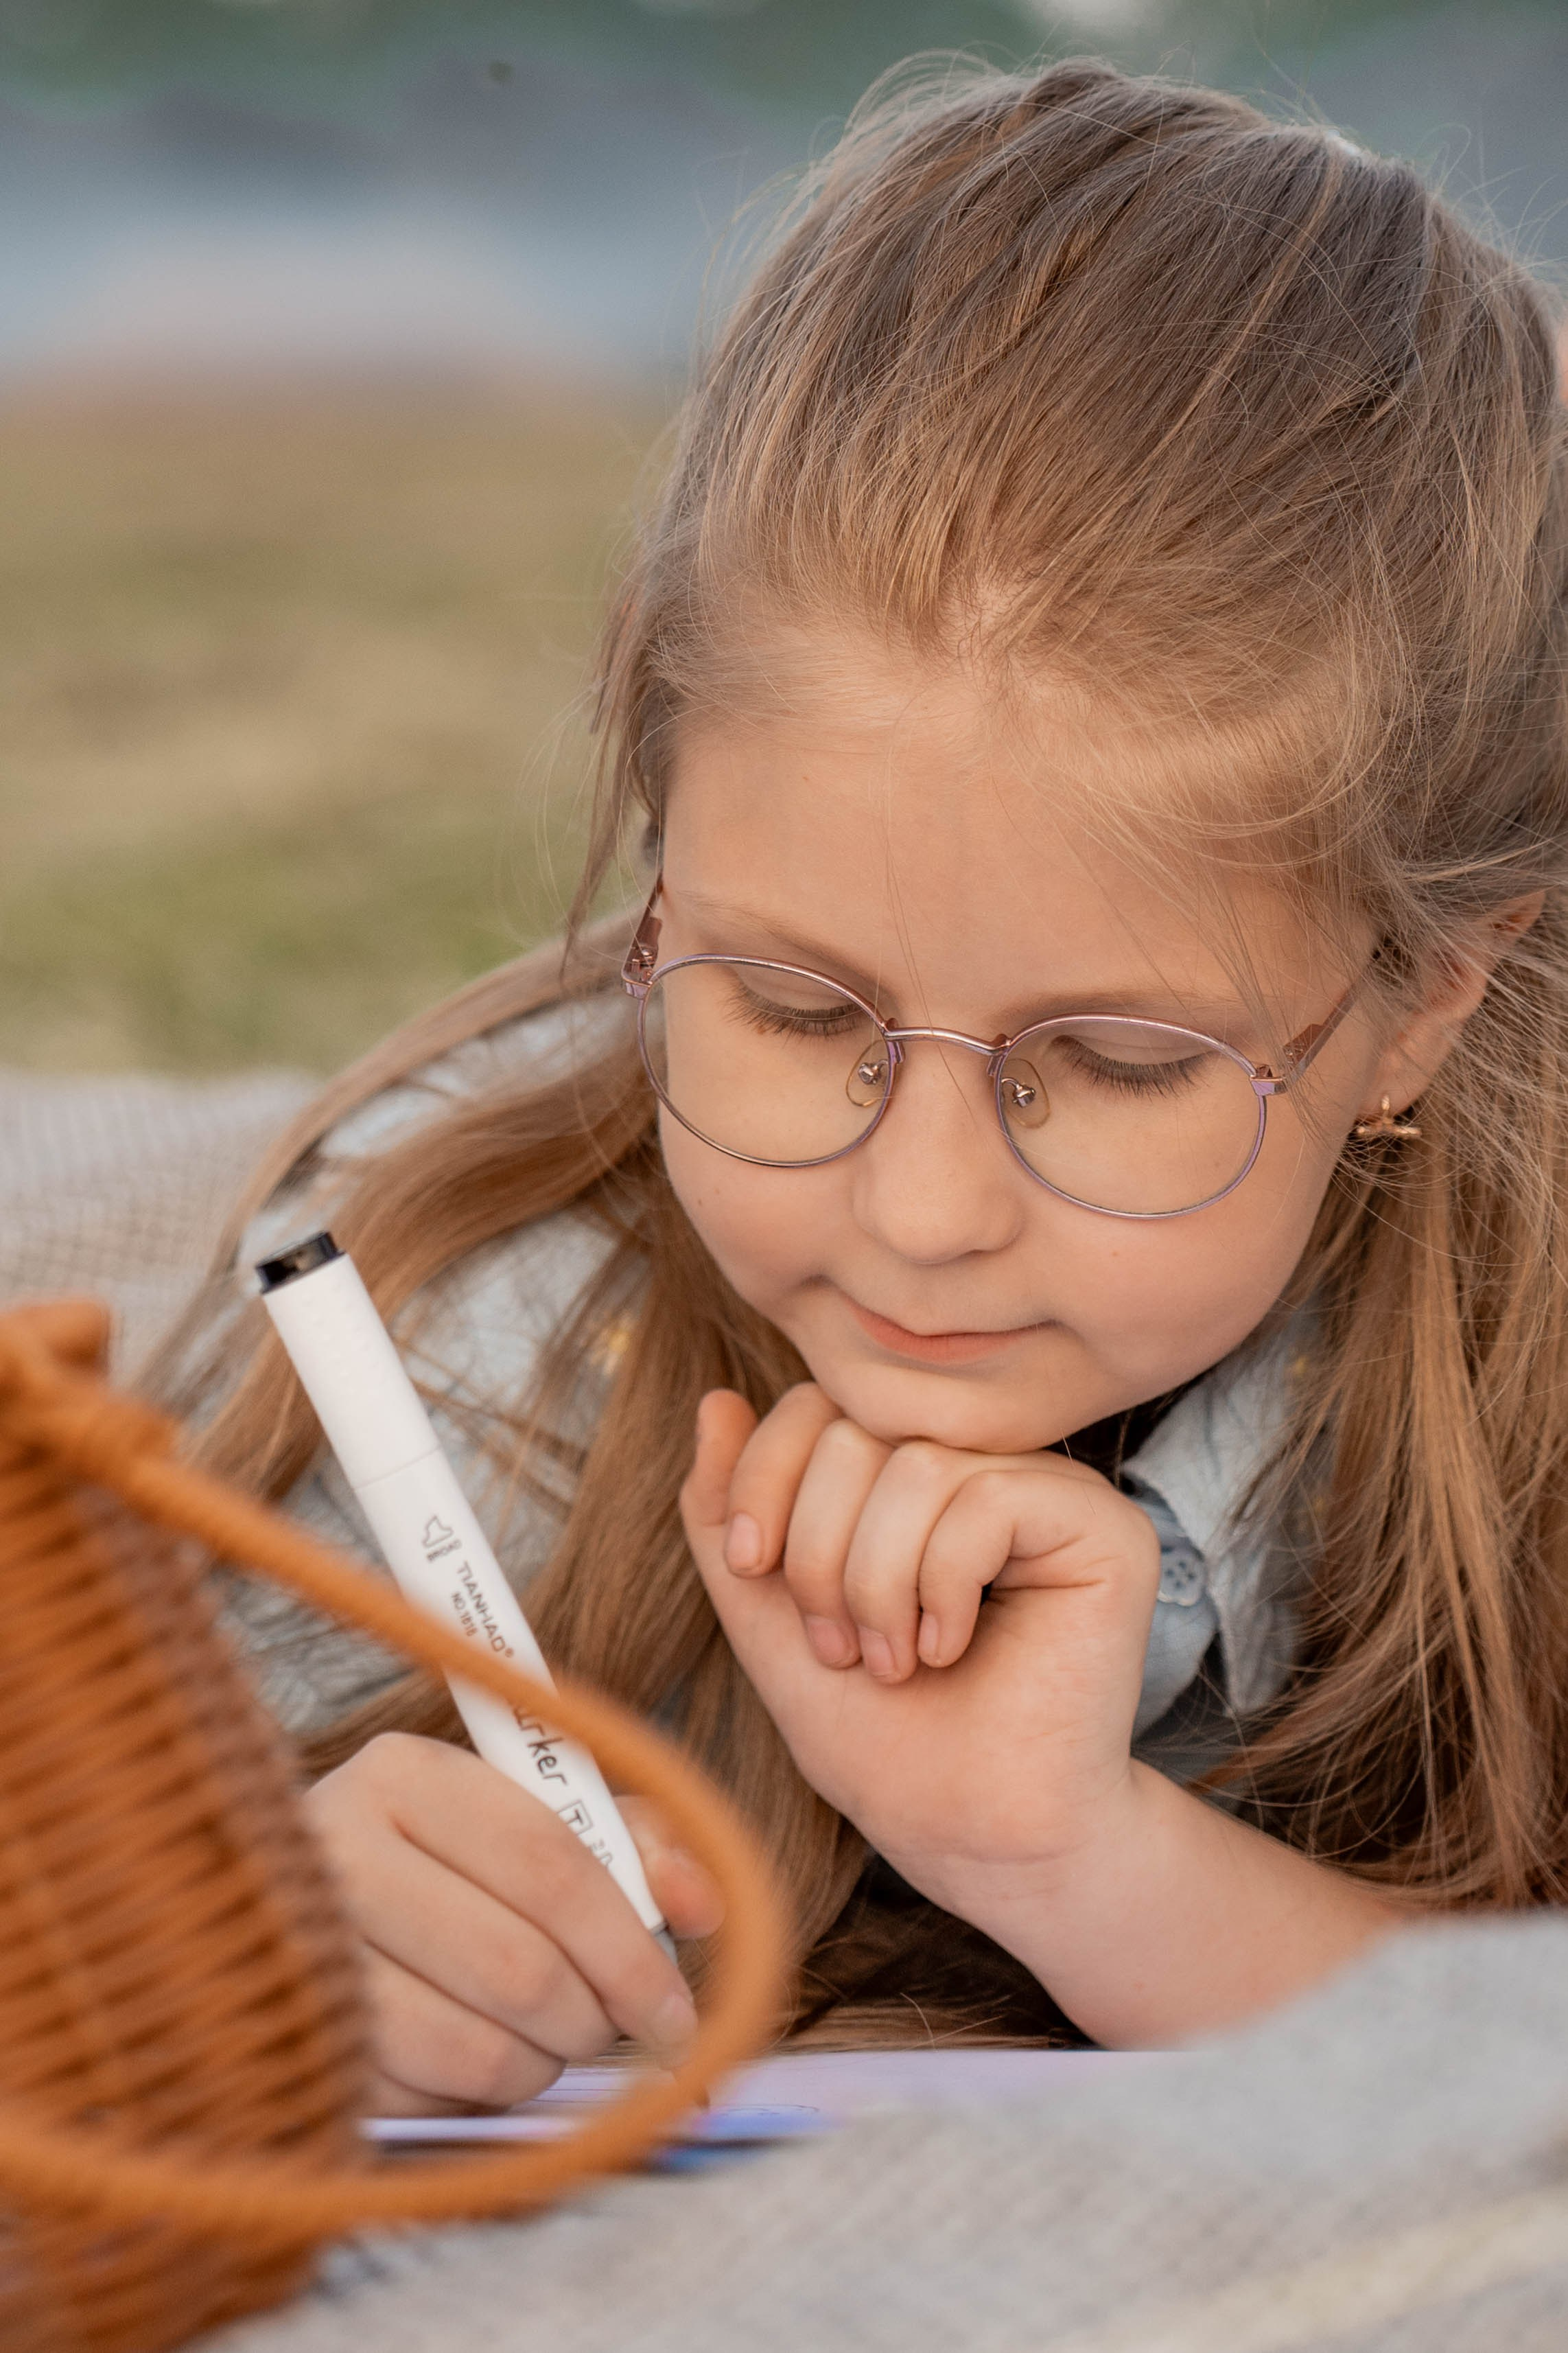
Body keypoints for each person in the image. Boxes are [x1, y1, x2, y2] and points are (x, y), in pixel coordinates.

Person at [162, 57, 1568, 2115]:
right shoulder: (472, 1338)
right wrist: (247, 1948)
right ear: (662, 862)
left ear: (1429, 996)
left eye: (1110, 1062)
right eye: (802, 1011)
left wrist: (1071, 1859)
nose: (920, 1209)